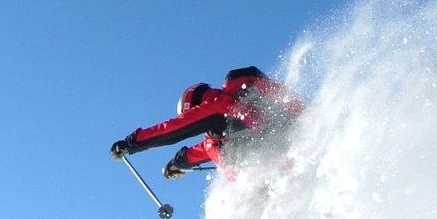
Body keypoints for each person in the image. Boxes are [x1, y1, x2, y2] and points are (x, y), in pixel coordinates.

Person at [110, 66, 304, 178]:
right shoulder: (219, 133)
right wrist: (177, 164)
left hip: (269, 169)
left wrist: (133, 143)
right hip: (284, 154)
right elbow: (199, 151)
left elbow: (175, 129)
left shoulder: (217, 107)